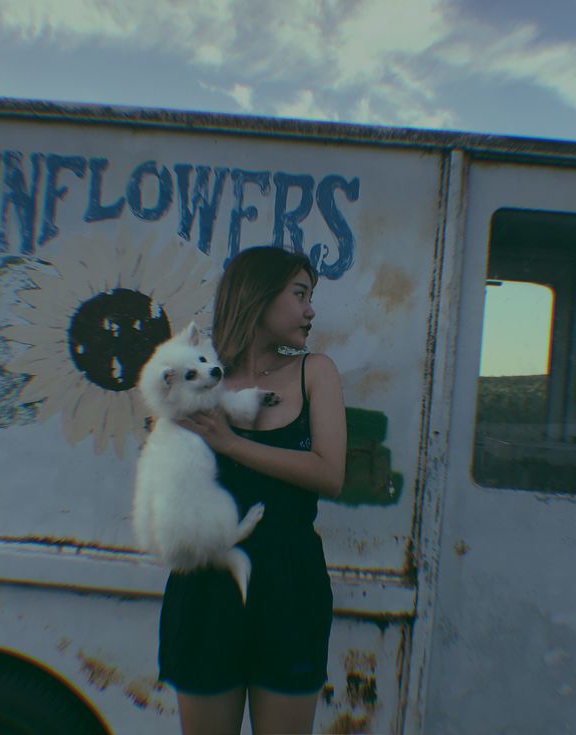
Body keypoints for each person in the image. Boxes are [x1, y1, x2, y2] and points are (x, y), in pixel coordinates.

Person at [158, 246, 347, 734]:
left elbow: (330, 474)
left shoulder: (315, 372)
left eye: (310, 297)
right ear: (258, 295)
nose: (310, 310)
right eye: (300, 295)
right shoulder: (200, 372)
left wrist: (231, 443)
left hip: (291, 584)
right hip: (207, 581)